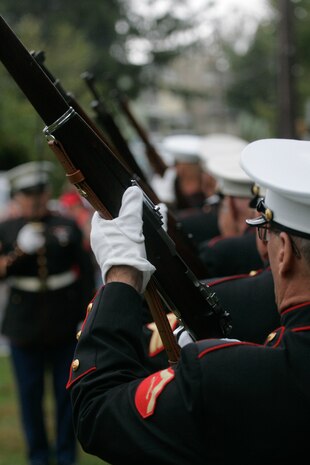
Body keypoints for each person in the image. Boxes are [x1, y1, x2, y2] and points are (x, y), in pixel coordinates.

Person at [68, 138, 310, 464]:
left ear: (282, 251)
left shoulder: (225, 377)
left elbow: (97, 412)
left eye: (264, 233)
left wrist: (120, 276)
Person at [0, 161, 95, 465]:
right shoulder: (7, 229)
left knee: (66, 396)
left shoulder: (65, 225)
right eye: (28, 194)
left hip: (64, 324)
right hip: (23, 327)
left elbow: (83, 275)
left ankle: (66, 456)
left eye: (40, 192)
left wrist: (86, 314)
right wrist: (18, 251)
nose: (36, 199)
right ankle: (38, 457)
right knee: (30, 398)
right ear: (17, 197)